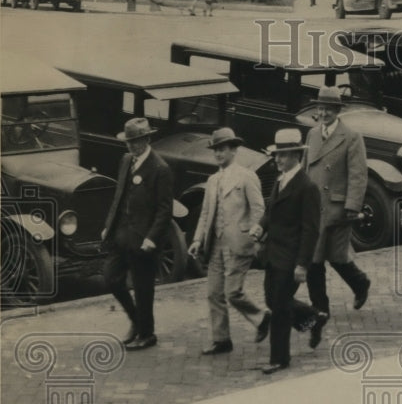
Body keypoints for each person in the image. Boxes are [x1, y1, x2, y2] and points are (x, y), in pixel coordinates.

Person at [187, 128, 271, 355]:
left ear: (234, 150)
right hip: (215, 244)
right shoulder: (212, 180)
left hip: (239, 242)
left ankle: (262, 317)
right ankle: (221, 339)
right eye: (215, 150)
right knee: (214, 293)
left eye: (222, 149)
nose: (218, 154)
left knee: (233, 292)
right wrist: (197, 239)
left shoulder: (246, 176)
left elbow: (258, 209)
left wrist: (256, 237)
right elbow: (205, 214)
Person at [302, 86, 371, 349]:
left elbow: (358, 174)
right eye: (320, 109)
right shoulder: (311, 134)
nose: (323, 113)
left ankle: (360, 282)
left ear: (337, 111)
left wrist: (353, 205)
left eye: (328, 109)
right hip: (314, 208)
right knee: (314, 260)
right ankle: (320, 309)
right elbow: (306, 169)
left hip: (337, 208)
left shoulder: (351, 137)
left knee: (337, 257)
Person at [250, 128, 321, 374]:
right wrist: (260, 227)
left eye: (283, 155)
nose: (277, 159)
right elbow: (271, 211)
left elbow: (311, 230)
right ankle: (313, 317)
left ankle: (279, 358)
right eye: (276, 154)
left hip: (291, 257)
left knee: (279, 307)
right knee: (272, 299)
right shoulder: (280, 181)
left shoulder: (306, 187)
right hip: (273, 253)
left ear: (295, 156)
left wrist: (303, 264)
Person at [102, 117, 173, 351]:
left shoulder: (160, 168)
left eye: (136, 141)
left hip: (143, 241)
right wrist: (108, 227)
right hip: (121, 236)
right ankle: (135, 320)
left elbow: (164, 210)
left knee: (143, 289)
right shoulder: (125, 161)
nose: (131, 146)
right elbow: (119, 195)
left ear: (147, 139)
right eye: (128, 142)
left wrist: (152, 238)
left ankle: (147, 334)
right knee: (111, 278)